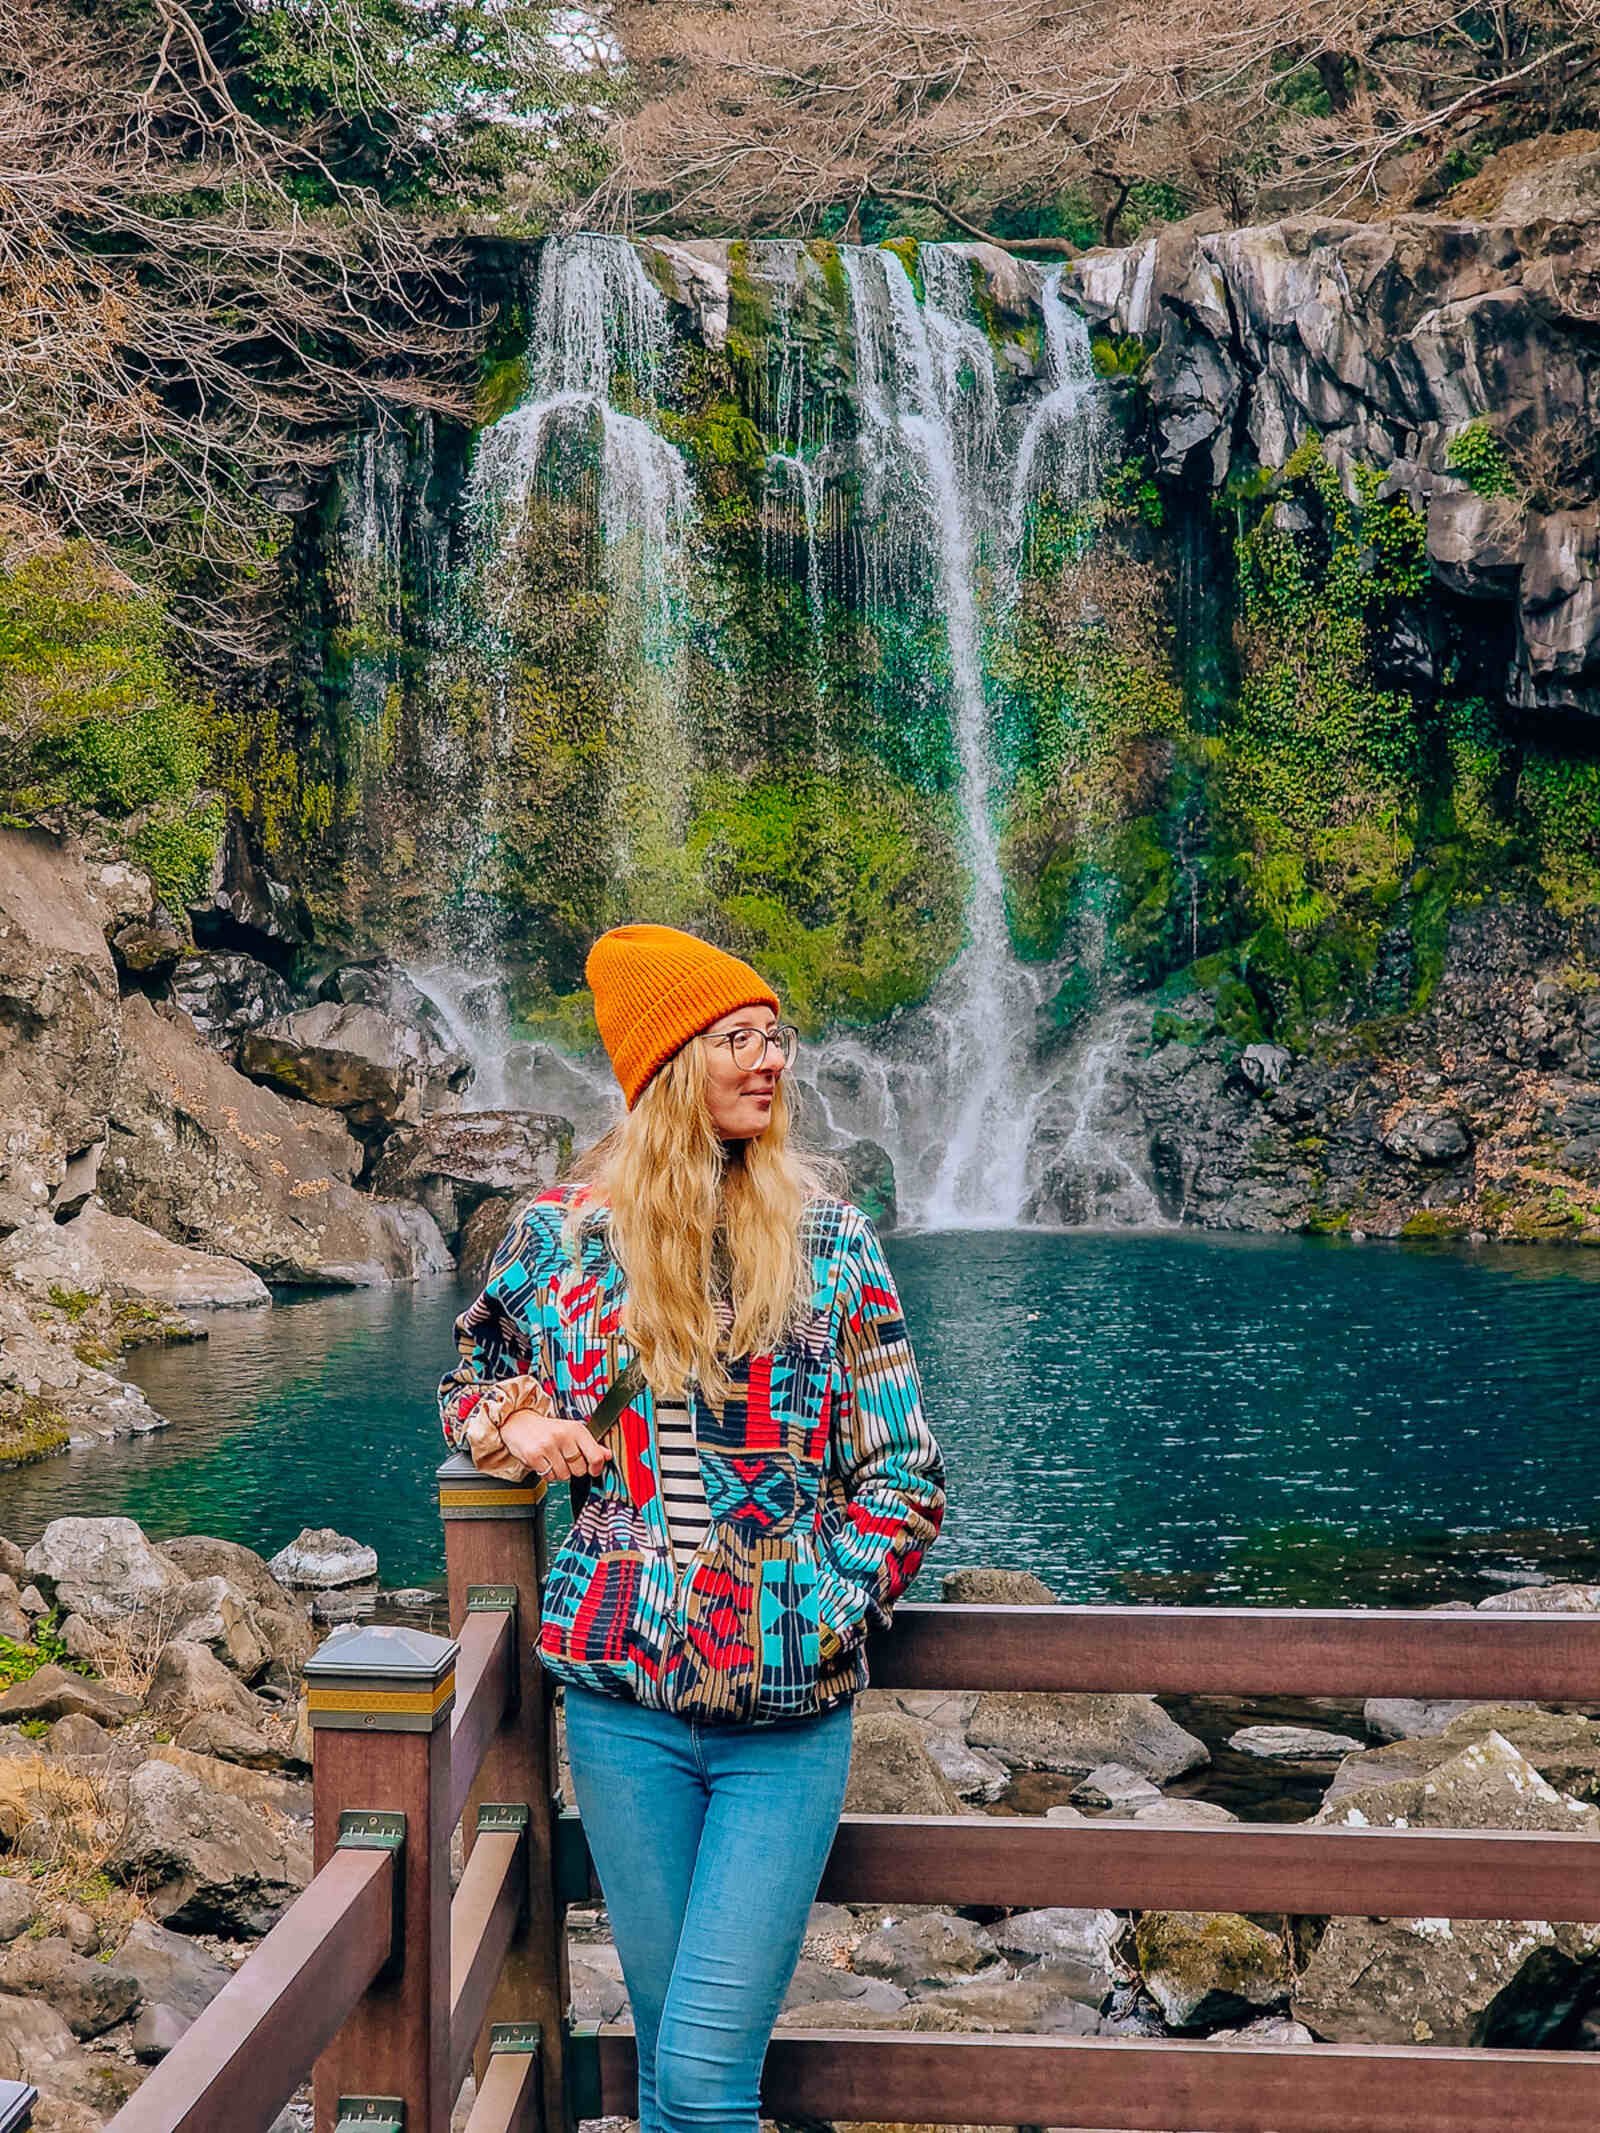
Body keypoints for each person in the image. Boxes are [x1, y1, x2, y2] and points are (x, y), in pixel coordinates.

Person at [438, 921, 945, 2133]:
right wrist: (516, 1425)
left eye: (776, 1038)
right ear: (668, 1067)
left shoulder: (830, 1245)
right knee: (671, 2066)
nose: (769, 1063)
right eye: (736, 1040)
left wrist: (818, 1611)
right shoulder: (557, 1240)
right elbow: (467, 1378)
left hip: (787, 1720)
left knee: (708, 2076)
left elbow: (904, 1474)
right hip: (620, 1711)